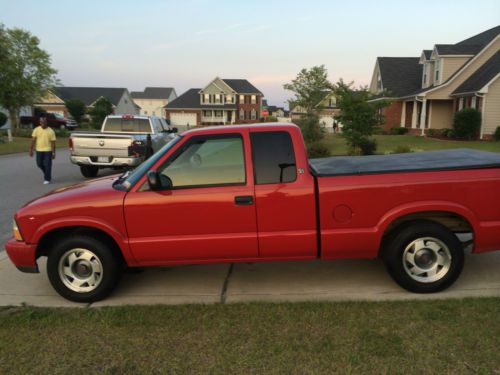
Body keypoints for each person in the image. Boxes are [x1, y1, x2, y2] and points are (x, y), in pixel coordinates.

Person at [30, 117, 56, 184]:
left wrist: (53, 153)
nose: (43, 123)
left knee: (47, 164)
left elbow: (53, 143)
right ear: (39, 122)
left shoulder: (51, 131)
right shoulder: (36, 130)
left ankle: (47, 179)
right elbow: (33, 140)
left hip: (48, 150)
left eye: (44, 122)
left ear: (46, 122)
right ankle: (47, 173)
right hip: (39, 150)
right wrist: (31, 150)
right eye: (41, 122)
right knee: (39, 164)